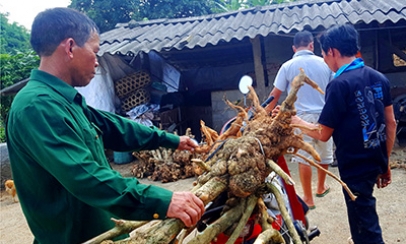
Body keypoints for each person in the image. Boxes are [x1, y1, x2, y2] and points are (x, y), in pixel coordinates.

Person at [5, 8, 204, 244]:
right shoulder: (36, 107)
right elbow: (85, 177)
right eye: (95, 51)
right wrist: (163, 200)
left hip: (104, 232)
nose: (97, 62)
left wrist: (172, 140)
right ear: (70, 47)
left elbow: (114, 126)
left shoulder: (62, 101)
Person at [291, 24, 397, 244]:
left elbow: (322, 134)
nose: (324, 59)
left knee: (366, 228)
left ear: (332, 52)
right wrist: (385, 162)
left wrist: (297, 122)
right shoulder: (379, 77)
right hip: (376, 159)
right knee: (363, 216)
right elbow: (391, 123)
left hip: (355, 168)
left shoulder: (338, 85)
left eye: (323, 53)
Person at [264, 30, 334, 209]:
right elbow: (334, 89)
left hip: (298, 118)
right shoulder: (325, 64)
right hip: (325, 115)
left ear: (294, 48)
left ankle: (308, 198)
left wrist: (264, 114)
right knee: (324, 153)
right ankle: (320, 187)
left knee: (304, 156)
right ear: (312, 45)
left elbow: (275, 94)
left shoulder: (287, 66)